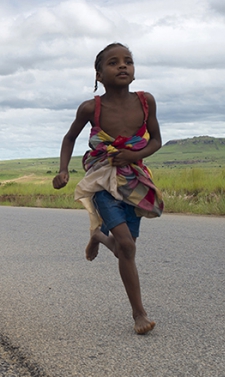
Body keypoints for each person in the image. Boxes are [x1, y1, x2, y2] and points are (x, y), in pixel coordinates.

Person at [52, 43, 164, 335]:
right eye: (113, 63)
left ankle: (99, 236)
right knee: (126, 246)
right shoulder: (91, 108)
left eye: (128, 61)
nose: (123, 66)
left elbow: (155, 141)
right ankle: (139, 315)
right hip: (102, 179)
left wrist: (133, 156)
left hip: (134, 180)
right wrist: (63, 170)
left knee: (128, 248)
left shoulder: (146, 101)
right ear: (99, 75)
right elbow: (69, 138)